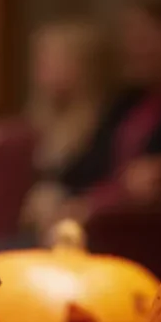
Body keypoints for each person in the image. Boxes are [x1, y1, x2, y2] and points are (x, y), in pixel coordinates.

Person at [61, 0, 161, 219]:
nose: (133, 47)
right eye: (129, 35)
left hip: (152, 228)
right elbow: (84, 167)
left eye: (146, 37)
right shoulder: (125, 101)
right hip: (97, 218)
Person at [22, 21, 112, 242]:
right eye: (39, 58)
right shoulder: (34, 119)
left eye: (53, 59)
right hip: (32, 229)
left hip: (77, 233)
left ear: (84, 65)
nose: (40, 68)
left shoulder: (105, 123)